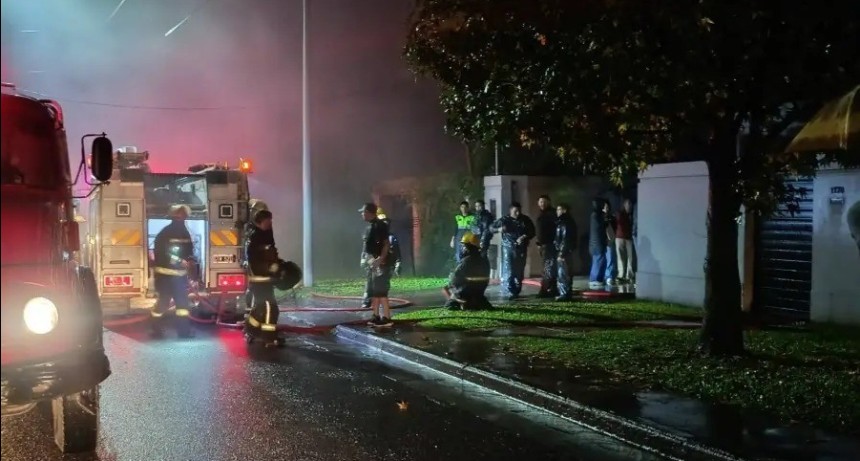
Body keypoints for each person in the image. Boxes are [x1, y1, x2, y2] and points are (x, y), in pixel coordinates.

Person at [151, 204, 195, 338]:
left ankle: (183, 332)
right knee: (162, 304)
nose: (183, 218)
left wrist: (190, 259)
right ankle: (156, 329)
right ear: (175, 216)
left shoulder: (184, 232)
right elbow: (162, 253)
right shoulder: (166, 232)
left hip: (179, 278)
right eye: (180, 215)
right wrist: (179, 261)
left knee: (182, 307)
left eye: (184, 215)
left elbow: (189, 249)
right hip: (165, 278)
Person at [244, 209, 284, 346]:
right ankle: (268, 337)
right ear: (260, 222)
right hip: (259, 280)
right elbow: (254, 261)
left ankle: (251, 330)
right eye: (268, 220)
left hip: (266, 280)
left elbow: (271, 255)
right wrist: (269, 269)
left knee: (261, 307)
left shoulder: (266, 235)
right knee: (269, 308)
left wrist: (280, 266)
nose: (270, 222)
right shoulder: (255, 239)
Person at [492, 202, 536, 300]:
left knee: (519, 270)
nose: (517, 213)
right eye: (515, 211)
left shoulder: (525, 220)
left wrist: (524, 236)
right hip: (508, 248)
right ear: (510, 210)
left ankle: (516, 290)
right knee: (509, 270)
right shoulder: (504, 220)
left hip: (521, 249)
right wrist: (499, 229)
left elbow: (532, 231)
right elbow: (491, 228)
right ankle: (511, 291)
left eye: (519, 211)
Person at [359, 203, 394, 327]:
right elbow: (368, 246)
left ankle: (387, 317)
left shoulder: (380, 226)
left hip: (381, 263)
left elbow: (386, 244)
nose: (362, 214)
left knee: (381, 292)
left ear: (369, 212)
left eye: (363, 212)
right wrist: (367, 260)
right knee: (375, 291)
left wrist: (380, 259)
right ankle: (376, 316)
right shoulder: (369, 227)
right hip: (373, 263)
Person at [362, 208, 402, 308]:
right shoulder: (372, 233)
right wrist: (364, 258)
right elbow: (366, 248)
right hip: (373, 264)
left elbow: (397, 252)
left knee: (383, 284)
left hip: (386, 265)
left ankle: (381, 302)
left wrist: (398, 263)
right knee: (370, 281)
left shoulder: (391, 238)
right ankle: (368, 300)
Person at [444, 231, 492, 310]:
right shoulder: (484, 261)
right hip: (479, 294)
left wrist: (450, 283)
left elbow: (455, 280)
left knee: (449, 304)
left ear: (467, 247)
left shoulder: (466, 261)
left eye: (463, 246)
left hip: (465, 294)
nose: (462, 248)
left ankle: (461, 304)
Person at [243, 199, 271, 313]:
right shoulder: (252, 230)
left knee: (257, 290)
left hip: (260, 269)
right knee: (253, 288)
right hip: (255, 267)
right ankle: (252, 311)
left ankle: (254, 312)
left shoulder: (260, 232)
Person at [535, 195, 558, 298]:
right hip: (544, 245)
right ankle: (551, 288)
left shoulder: (551, 214)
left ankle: (546, 289)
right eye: (540, 202)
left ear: (549, 202)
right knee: (548, 267)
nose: (542, 204)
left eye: (544, 202)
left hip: (549, 245)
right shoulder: (542, 214)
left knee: (548, 268)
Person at [554, 204, 578, 301]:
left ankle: (564, 294)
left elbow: (566, 238)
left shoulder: (565, 222)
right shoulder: (565, 221)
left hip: (564, 252)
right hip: (565, 251)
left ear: (564, 210)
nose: (557, 211)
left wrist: (561, 253)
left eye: (559, 209)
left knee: (563, 273)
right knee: (565, 273)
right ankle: (566, 293)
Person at [588, 198, 607, 290]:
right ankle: (595, 279)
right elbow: (600, 229)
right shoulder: (597, 216)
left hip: (595, 243)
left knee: (597, 260)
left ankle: (595, 279)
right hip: (598, 243)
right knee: (598, 261)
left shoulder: (595, 215)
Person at [615, 198, 635, 284]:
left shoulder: (630, 215)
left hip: (627, 238)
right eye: (628, 204)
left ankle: (628, 275)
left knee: (630, 258)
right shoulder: (620, 214)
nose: (629, 206)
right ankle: (621, 275)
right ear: (624, 205)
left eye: (630, 204)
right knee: (621, 258)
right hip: (620, 237)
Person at [603, 201, 618, 286]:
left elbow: (614, 227)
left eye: (607, 207)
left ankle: (609, 276)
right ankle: (607, 276)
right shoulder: (601, 217)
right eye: (605, 207)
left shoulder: (611, 217)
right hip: (604, 241)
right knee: (607, 259)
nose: (606, 208)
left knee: (610, 258)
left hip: (609, 241)